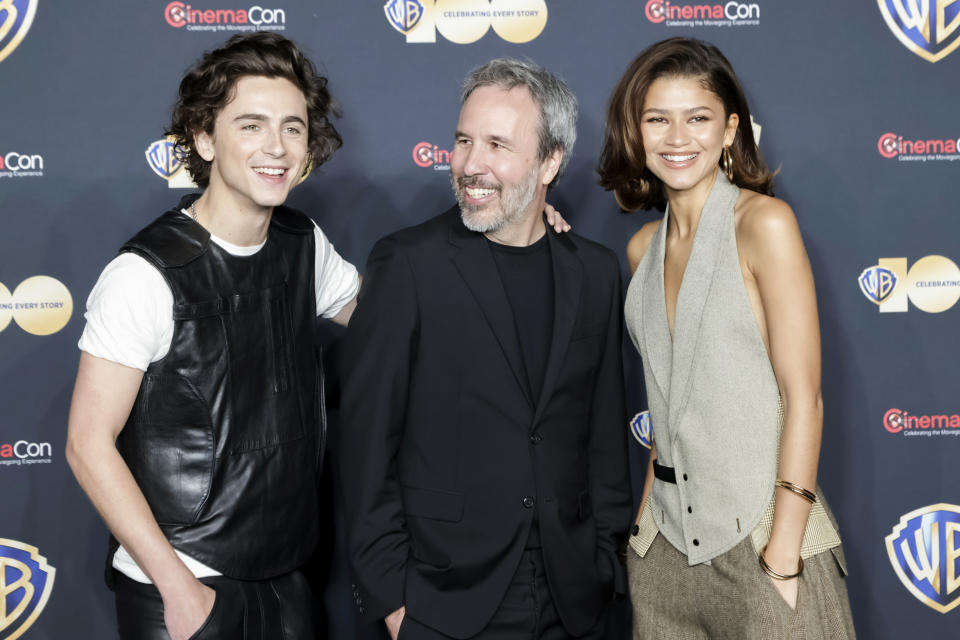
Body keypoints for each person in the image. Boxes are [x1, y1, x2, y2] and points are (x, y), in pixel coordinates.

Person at [65, 33, 360, 640]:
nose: (276, 148)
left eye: (293, 128)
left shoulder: (305, 246)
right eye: (251, 126)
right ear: (204, 138)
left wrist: (517, 228)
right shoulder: (145, 273)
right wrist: (178, 589)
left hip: (289, 576)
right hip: (181, 586)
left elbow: (397, 324)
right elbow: (87, 443)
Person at [338, 58, 632, 640]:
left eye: (498, 144)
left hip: (575, 599)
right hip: (443, 600)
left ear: (549, 161)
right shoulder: (408, 264)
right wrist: (395, 600)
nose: (473, 164)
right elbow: (366, 448)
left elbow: (603, 436)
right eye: (464, 140)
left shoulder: (594, 272)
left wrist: (606, 563)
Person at [597, 38, 855, 639]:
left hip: (763, 541)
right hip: (661, 556)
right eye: (658, 118)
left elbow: (804, 396)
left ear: (730, 129)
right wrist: (641, 535)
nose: (677, 138)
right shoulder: (641, 251)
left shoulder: (764, 224)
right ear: (636, 131)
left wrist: (784, 550)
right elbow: (670, 404)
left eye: (698, 118)